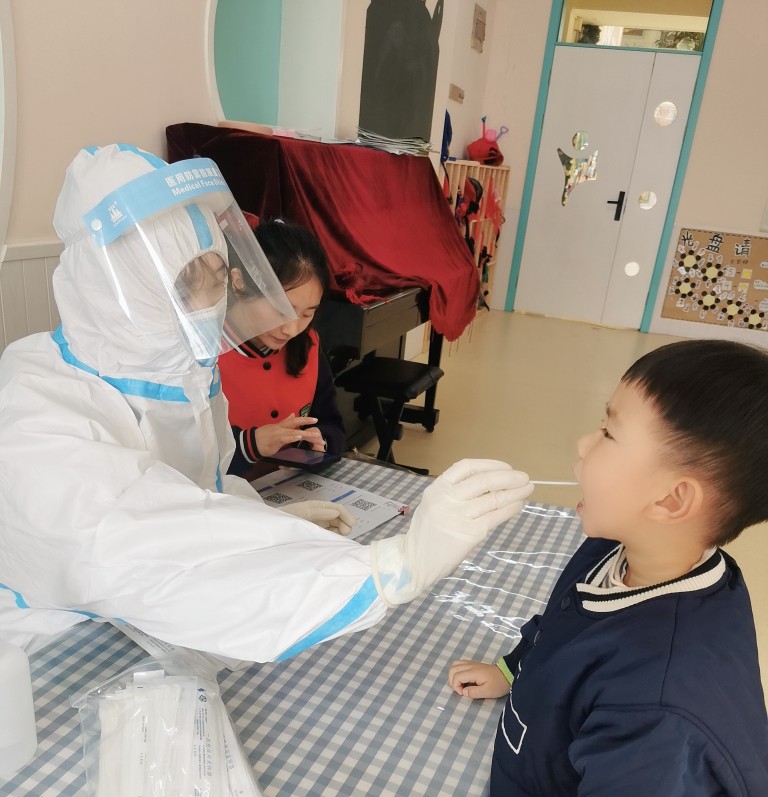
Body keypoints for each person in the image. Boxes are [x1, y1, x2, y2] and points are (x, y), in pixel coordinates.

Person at [0, 144, 533, 662]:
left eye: (214, 280)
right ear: (113, 291)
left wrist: (267, 521)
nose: (207, 307)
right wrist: (390, 567)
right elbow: (147, 549)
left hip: (137, 631)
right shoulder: (35, 409)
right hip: (51, 647)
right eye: (186, 287)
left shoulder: (181, 378)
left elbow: (200, 492)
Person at [436, 339, 768, 797]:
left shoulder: (661, 710)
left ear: (672, 498)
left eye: (610, 432)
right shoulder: (621, 551)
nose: (583, 445)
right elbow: (567, 626)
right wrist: (513, 668)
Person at [218, 218, 346, 477]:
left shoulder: (307, 345)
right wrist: (249, 446)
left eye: (307, 314)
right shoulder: (205, 353)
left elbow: (333, 427)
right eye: (281, 310)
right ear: (239, 281)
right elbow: (181, 459)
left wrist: (318, 442)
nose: (291, 329)